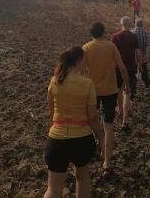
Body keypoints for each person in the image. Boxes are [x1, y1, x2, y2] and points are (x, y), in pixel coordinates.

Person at [44, 46, 103, 198]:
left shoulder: (54, 82)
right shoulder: (87, 83)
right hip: (82, 140)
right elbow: (93, 116)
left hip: (57, 139)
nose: (85, 64)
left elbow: (52, 113)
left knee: (52, 189)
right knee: (82, 179)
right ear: (78, 61)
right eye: (84, 61)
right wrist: (101, 138)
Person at [83, 23, 129, 176]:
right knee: (109, 126)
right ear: (103, 32)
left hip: (92, 92)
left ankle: (97, 143)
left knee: (91, 121)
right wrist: (127, 84)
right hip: (110, 90)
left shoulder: (86, 48)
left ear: (91, 33)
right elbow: (122, 67)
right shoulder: (111, 46)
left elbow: (81, 71)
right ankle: (107, 163)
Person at [112, 16, 141, 131]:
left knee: (118, 90)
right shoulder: (134, 37)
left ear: (121, 24)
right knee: (127, 92)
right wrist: (139, 65)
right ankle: (125, 120)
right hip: (130, 68)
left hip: (118, 67)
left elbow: (112, 53)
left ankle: (120, 108)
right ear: (130, 24)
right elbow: (138, 53)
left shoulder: (115, 36)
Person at [132, 18, 150, 88]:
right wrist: (147, 55)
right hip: (142, 55)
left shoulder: (131, 32)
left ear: (135, 24)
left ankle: (134, 86)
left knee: (133, 71)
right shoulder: (145, 33)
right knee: (144, 69)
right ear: (142, 25)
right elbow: (148, 45)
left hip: (133, 56)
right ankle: (147, 84)